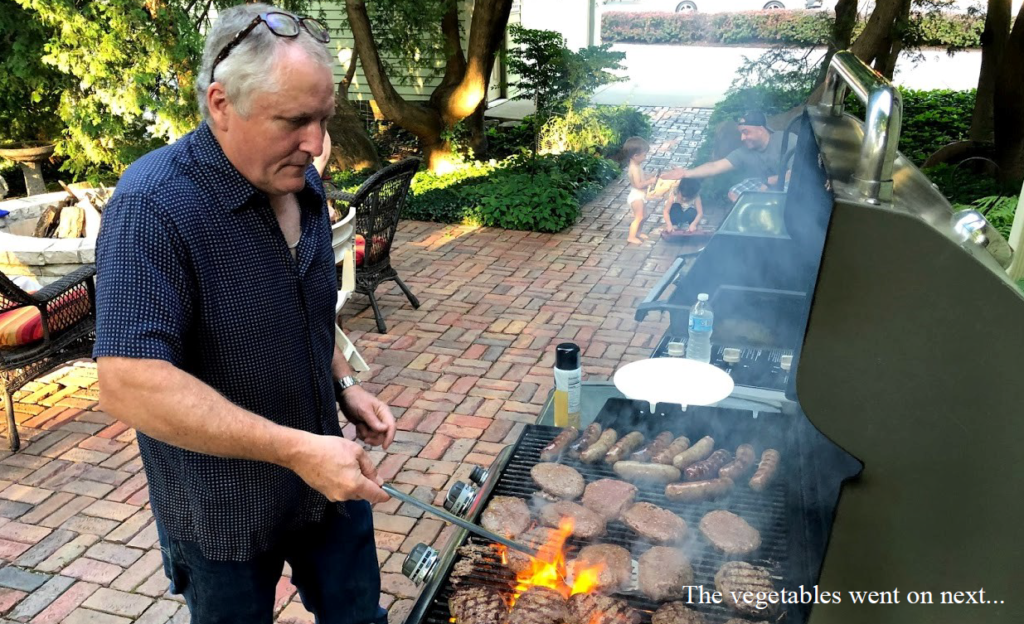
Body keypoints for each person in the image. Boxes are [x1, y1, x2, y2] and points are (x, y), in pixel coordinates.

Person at [92, 5, 394, 623]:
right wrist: (295, 450)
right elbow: (127, 383)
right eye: (294, 121)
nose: (315, 145)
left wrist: (343, 385)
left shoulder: (296, 178)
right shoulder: (152, 205)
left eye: (323, 118)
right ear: (221, 104)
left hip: (324, 489)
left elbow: (304, 299)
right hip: (221, 513)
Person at [663, 110, 795, 203]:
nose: (742, 138)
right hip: (765, 183)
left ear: (760, 130)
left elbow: (797, 173)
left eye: (746, 132)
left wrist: (769, 183)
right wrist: (686, 173)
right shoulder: (744, 152)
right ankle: (753, 220)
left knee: (778, 192)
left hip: (792, 185)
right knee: (735, 193)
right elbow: (715, 166)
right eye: (741, 133)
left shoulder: (787, 140)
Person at [622, 136, 660, 244]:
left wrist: (651, 176)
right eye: (644, 155)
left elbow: (642, 177)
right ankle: (631, 236)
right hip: (636, 196)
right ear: (635, 156)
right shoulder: (633, 169)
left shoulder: (637, 165)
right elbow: (638, 184)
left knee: (644, 215)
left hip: (640, 195)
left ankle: (638, 232)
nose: (645, 157)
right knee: (638, 217)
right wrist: (650, 181)